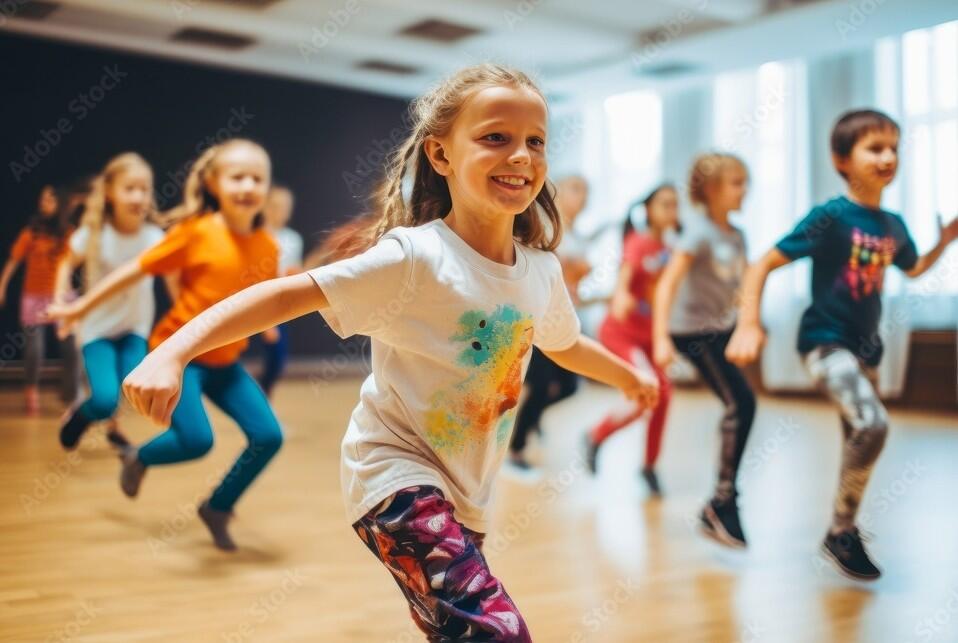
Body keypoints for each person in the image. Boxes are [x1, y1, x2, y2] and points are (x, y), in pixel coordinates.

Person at [120, 64, 658, 641]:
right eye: (496, 137)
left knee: (449, 631)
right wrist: (171, 352)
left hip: (468, 494)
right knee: (496, 630)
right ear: (441, 154)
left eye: (536, 141)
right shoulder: (414, 257)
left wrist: (628, 377)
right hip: (393, 478)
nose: (521, 155)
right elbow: (285, 296)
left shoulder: (541, 271)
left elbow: (564, 342)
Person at [726, 109, 958, 579]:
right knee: (873, 425)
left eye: (894, 148)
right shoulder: (830, 216)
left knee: (858, 435)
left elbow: (912, 269)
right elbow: (762, 264)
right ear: (841, 160)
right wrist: (748, 323)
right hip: (824, 344)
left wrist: (944, 242)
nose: (888, 157)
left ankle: (842, 531)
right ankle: (840, 531)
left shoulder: (893, 225)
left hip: (866, 349)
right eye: (875, 148)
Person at [48, 139, 284, 551]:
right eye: (237, 177)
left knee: (268, 436)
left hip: (226, 362)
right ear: (213, 183)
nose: (248, 186)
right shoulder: (195, 233)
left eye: (257, 178)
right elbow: (134, 270)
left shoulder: (268, 246)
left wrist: (269, 326)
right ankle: (139, 456)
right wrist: (79, 306)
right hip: (182, 357)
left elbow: (264, 301)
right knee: (197, 441)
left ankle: (217, 507)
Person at [653, 153, 754, 548]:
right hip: (693, 333)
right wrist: (661, 339)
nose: (745, 190)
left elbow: (744, 285)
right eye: (737, 183)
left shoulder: (737, 235)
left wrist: (749, 324)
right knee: (741, 402)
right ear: (711, 189)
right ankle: (722, 503)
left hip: (722, 330)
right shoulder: (697, 233)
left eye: (745, 182)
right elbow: (667, 285)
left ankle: (720, 502)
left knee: (742, 403)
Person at [586, 184, 679, 495]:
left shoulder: (671, 249)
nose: (672, 210)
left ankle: (649, 466)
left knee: (664, 397)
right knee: (646, 393)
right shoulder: (638, 242)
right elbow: (625, 275)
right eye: (665, 204)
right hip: (622, 333)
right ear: (648, 210)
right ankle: (596, 435)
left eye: (675, 205)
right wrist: (622, 294)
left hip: (650, 336)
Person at [507, 174, 591, 471]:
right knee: (541, 386)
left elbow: (574, 280)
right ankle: (516, 448)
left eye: (586, 192)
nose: (583, 197)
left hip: (564, 319)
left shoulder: (578, 235)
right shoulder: (546, 230)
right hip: (541, 319)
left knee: (569, 386)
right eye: (576, 189)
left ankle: (531, 418)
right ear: (558, 193)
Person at [0, 185, 79, 414]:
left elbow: (74, 262)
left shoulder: (69, 233)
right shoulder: (31, 233)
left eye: (50, 200)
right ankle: (31, 391)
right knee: (34, 349)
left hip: (62, 297)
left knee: (71, 348)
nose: (44, 204)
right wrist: (2, 286)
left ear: (59, 203)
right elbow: (13, 261)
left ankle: (71, 396)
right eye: (42, 199)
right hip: (33, 298)